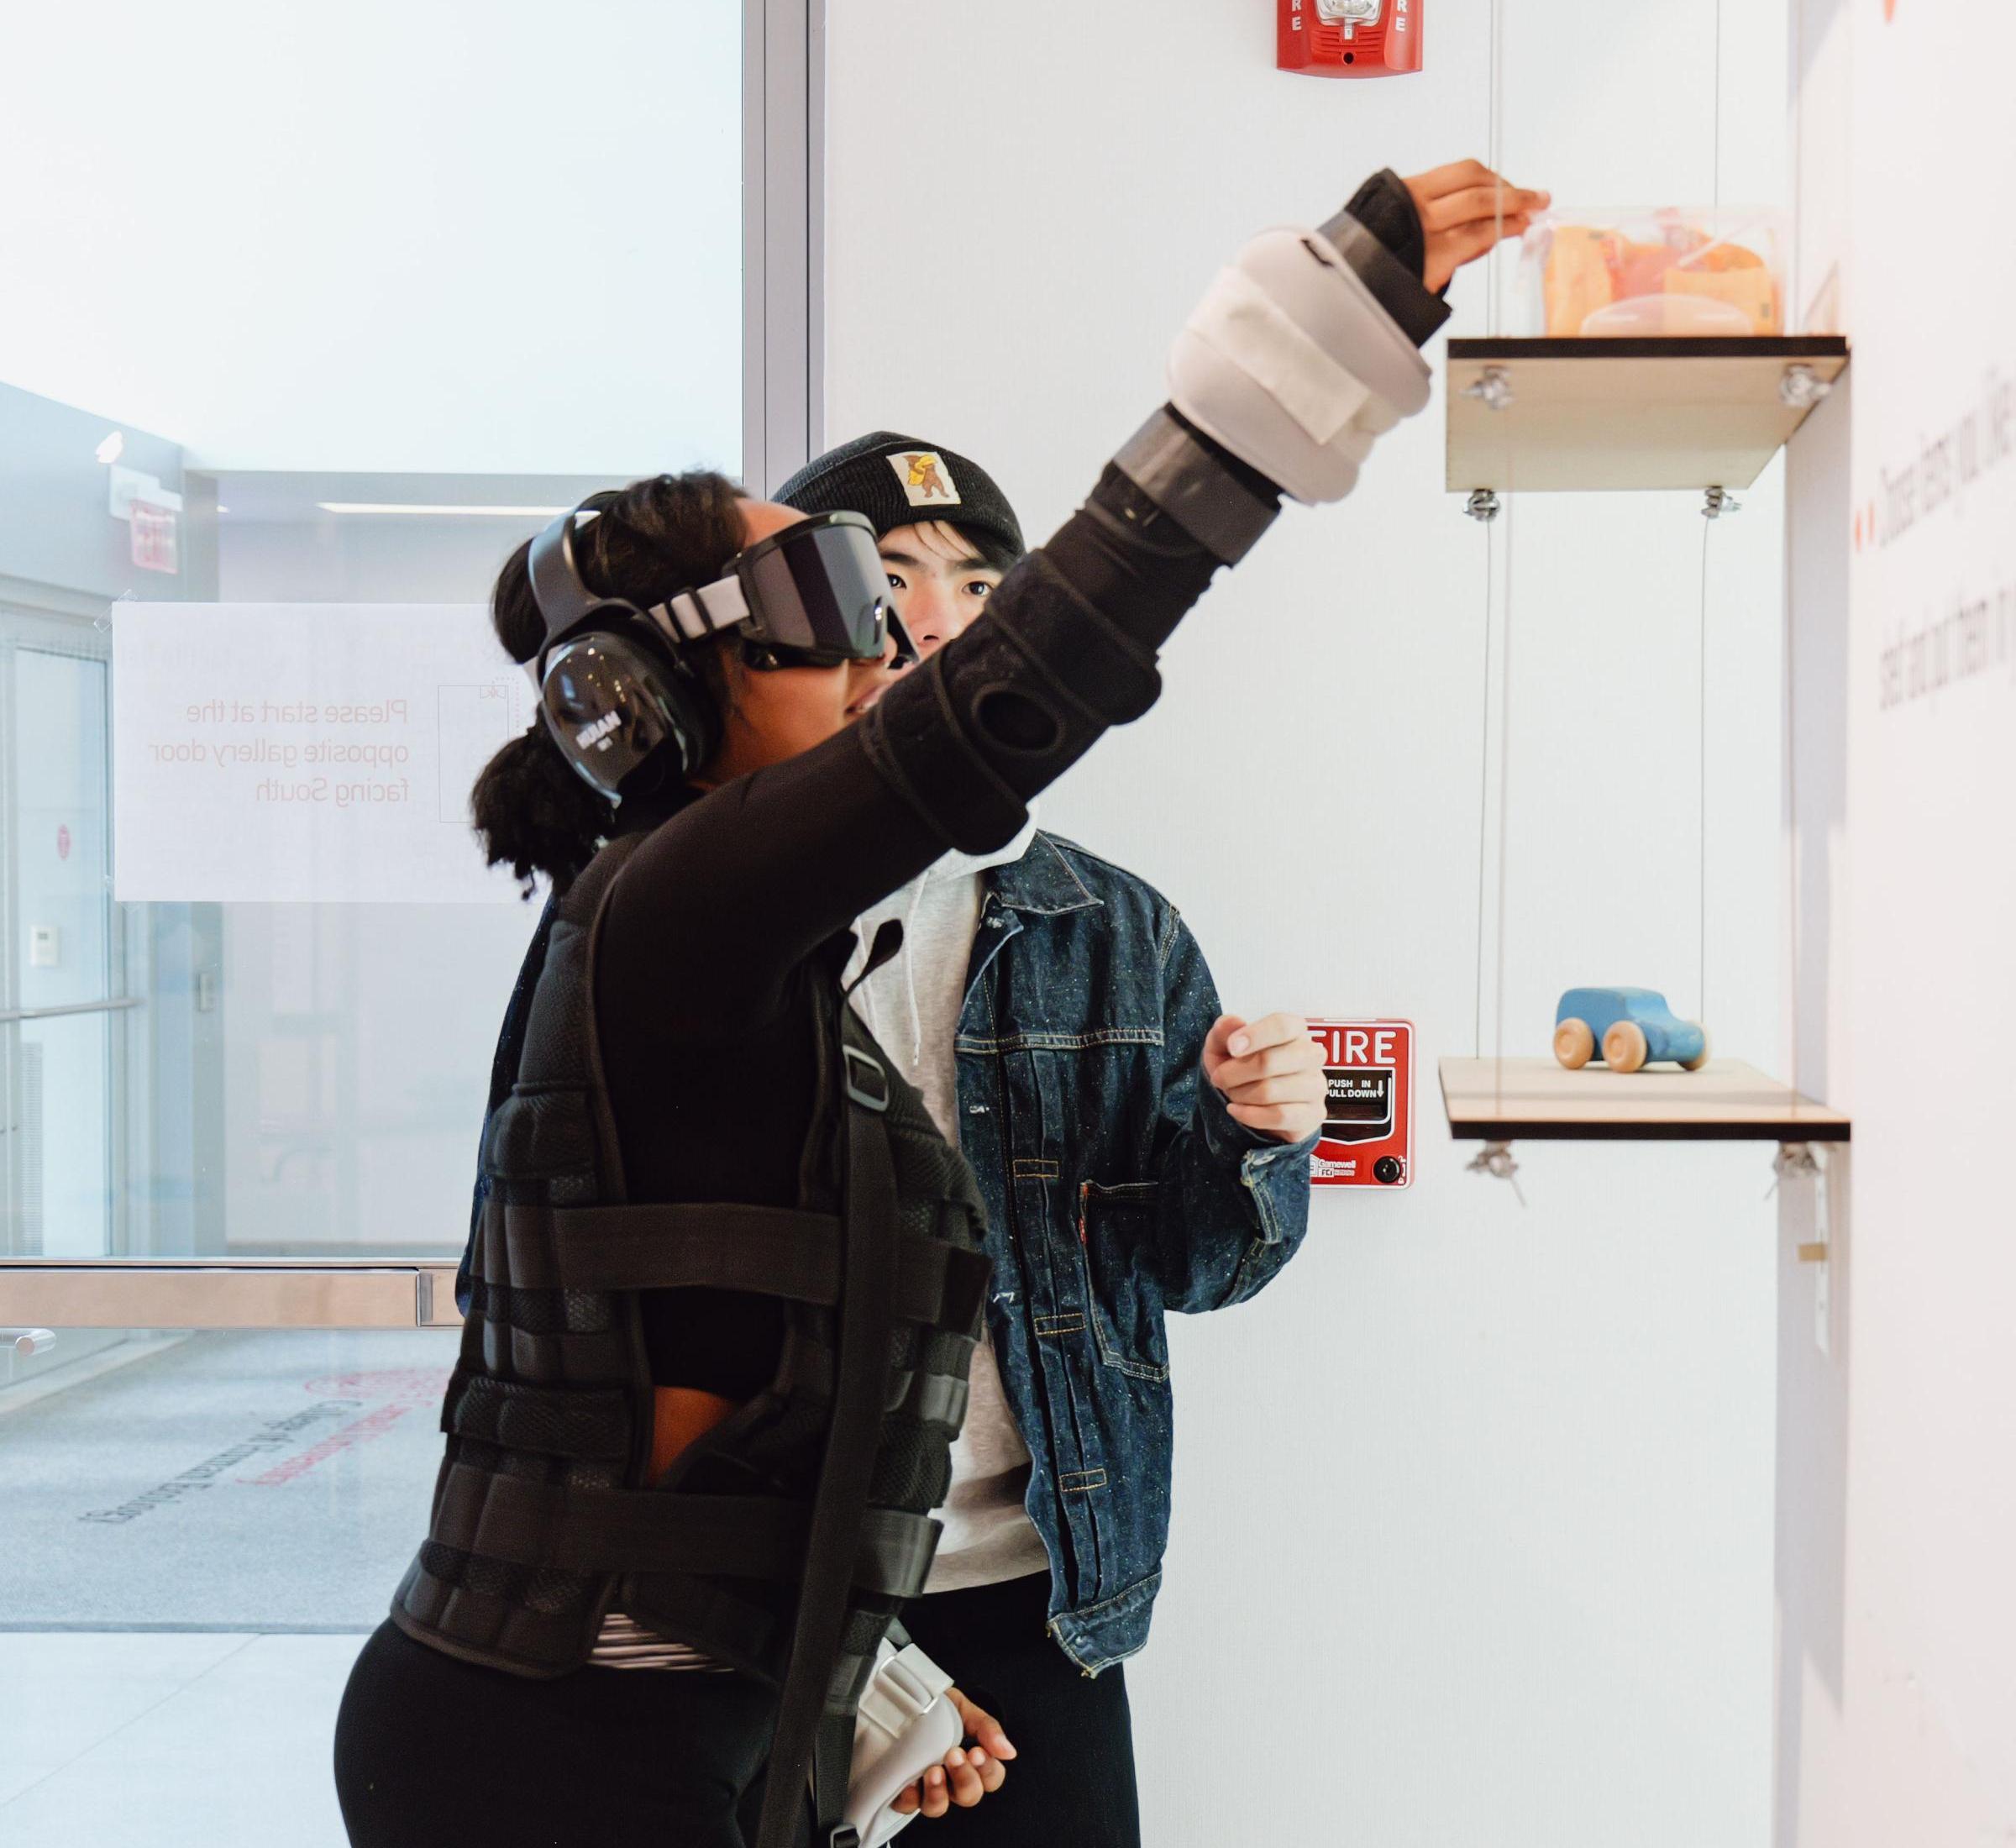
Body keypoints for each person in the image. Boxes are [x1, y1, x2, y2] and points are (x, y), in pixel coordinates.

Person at [360, 156, 1545, 1848]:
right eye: (834, 605)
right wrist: (1321, 324)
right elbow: (1022, 691)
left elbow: (684, 1403)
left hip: (710, 1699)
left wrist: (880, 1689)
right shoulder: (676, 908)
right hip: (559, 1746)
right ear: (651, 689)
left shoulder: (699, 932)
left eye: (919, 601)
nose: (888, 654)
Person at [765, 428, 1327, 1845]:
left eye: (976, 581)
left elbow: (1200, 1267)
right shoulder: (727, 918)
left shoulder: (1116, 928)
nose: (935, 616)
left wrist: (1257, 1136)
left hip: (1043, 1596)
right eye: (885, 575)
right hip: (778, 1603)